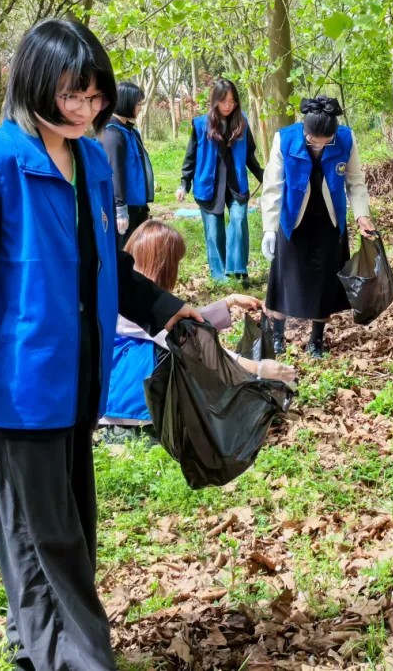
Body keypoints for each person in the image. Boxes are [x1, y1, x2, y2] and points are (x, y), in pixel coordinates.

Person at [0, 18, 203, 671]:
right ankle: (81, 660)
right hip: (17, 396)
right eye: (73, 95)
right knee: (44, 549)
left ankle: (35, 654)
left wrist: (169, 312)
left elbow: (106, 267)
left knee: (70, 537)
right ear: (37, 87)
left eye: (95, 95)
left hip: (77, 388)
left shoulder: (92, 161)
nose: (86, 108)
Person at [101, 220, 297, 438]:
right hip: (129, 408)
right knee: (175, 354)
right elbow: (195, 346)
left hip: (120, 397)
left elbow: (186, 320)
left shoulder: (130, 297)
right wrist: (257, 368)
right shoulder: (137, 309)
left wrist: (229, 302)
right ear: (163, 265)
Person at [260, 96, 374, 357]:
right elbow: (273, 187)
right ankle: (277, 335)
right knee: (284, 280)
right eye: (313, 141)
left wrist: (361, 216)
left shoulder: (346, 139)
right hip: (292, 220)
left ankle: (316, 340)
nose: (319, 145)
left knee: (324, 281)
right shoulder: (284, 139)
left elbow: (355, 182)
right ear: (304, 131)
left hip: (329, 220)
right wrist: (269, 228)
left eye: (326, 141)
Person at [177, 78, 264, 285]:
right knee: (214, 230)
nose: (228, 106)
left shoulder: (242, 122)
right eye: (224, 101)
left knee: (239, 220)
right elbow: (191, 156)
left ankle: (238, 271)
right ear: (215, 100)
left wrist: (263, 176)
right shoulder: (200, 124)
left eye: (232, 101)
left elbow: (249, 155)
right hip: (209, 184)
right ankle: (219, 276)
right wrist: (184, 183)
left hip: (236, 183)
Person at [98, 80, 155, 244]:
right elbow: (115, 173)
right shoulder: (113, 134)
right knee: (124, 253)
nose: (140, 108)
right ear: (126, 102)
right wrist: (121, 209)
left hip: (137, 205)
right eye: (138, 104)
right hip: (124, 207)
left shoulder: (130, 131)